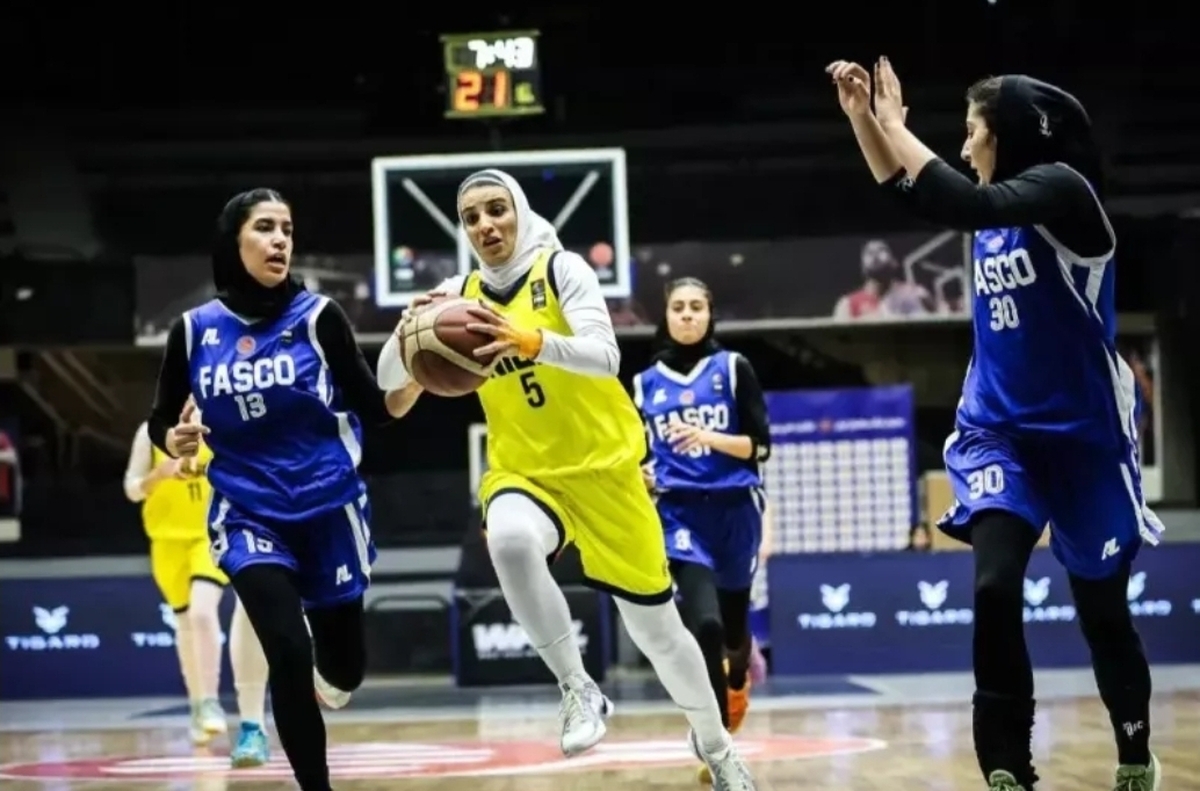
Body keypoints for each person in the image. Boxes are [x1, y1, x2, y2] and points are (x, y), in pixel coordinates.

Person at [827, 59, 1165, 791]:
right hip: (998, 432)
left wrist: (896, 125)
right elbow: (914, 191)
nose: (964, 146)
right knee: (993, 584)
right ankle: (1008, 763)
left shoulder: (1065, 193)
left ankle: (1135, 752)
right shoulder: (990, 206)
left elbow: (960, 200)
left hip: (1083, 440)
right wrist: (864, 121)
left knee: (1102, 611)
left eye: (973, 131)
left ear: (1008, 135)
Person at [377, 169, 756, 791]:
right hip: (525, 471)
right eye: (471, 217)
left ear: (520, 211)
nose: (485, 225)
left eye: (496, 209)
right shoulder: (458, 297)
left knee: (661, 634)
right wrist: (407, 328)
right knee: (509, 541)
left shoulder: (562, 270)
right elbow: (390, 382)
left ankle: (717, 748)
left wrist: (531, 341)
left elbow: (605, 357)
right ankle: (577, 687)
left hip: (606, 471)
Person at [146, 188, 420, 791]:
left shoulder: (320, 318)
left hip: (328, 506)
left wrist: (419, 375)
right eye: (265, 228)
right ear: (234, 241)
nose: (280, 241)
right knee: (288, 652)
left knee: (344, 670)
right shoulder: (193, 331)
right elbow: (159, 418)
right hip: (247, 511)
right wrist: (174, 439)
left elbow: (374, 407)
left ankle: (335, 673)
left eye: (287, 230)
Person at [632, 277, 770, 783]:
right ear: (666, 315)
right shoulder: (644, 384)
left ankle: (739, 678)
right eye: (678, 307)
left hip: (734, 509)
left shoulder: (733, 368)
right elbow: (635, 454)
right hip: (679, 515)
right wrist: (639, 473)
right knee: (705, 626)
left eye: (696, 307)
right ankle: (719, 747)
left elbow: (762, 446)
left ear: (709, 314)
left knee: (732, 628)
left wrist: (709, 437)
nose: (687, 315)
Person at [123, 409, 271, 767]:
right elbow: (131, 488)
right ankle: (198, 704)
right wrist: (160, 474)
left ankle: (210, 701)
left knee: (203, 611)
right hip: (166, 541)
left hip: (210, 536)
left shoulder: (221, 425)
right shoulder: (151, 432)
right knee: (185, 622)